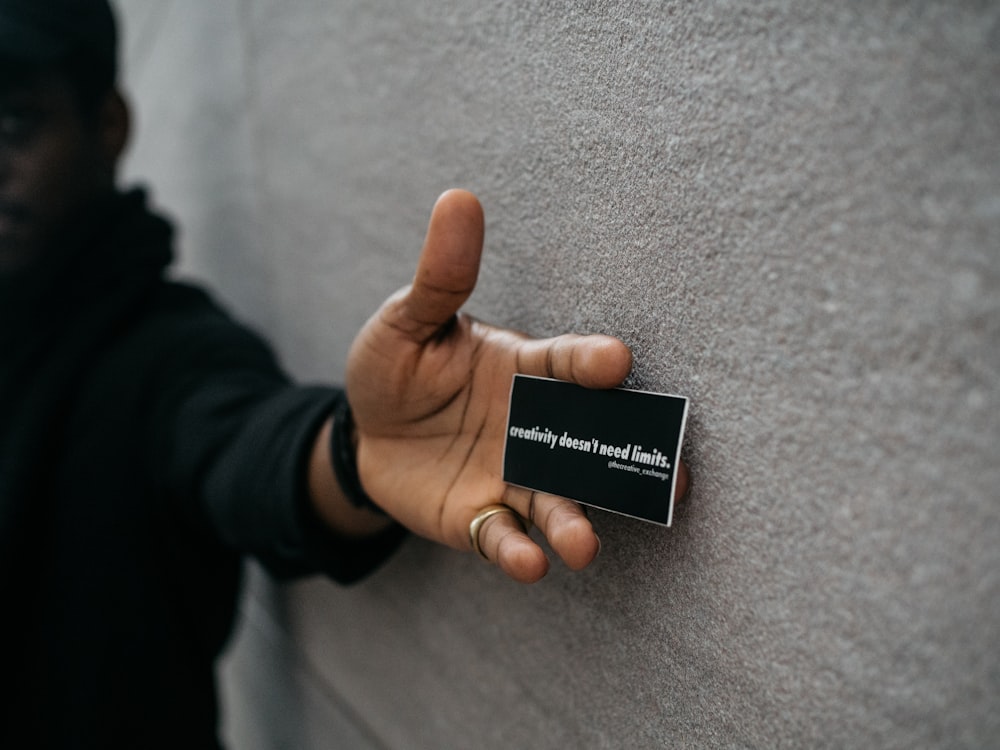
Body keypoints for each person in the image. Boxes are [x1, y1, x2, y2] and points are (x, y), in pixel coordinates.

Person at [0, 0, 688, 747]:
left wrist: (354, 452)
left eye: (14, 125)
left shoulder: (164, 356)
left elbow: (248, 446)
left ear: (108, 125)